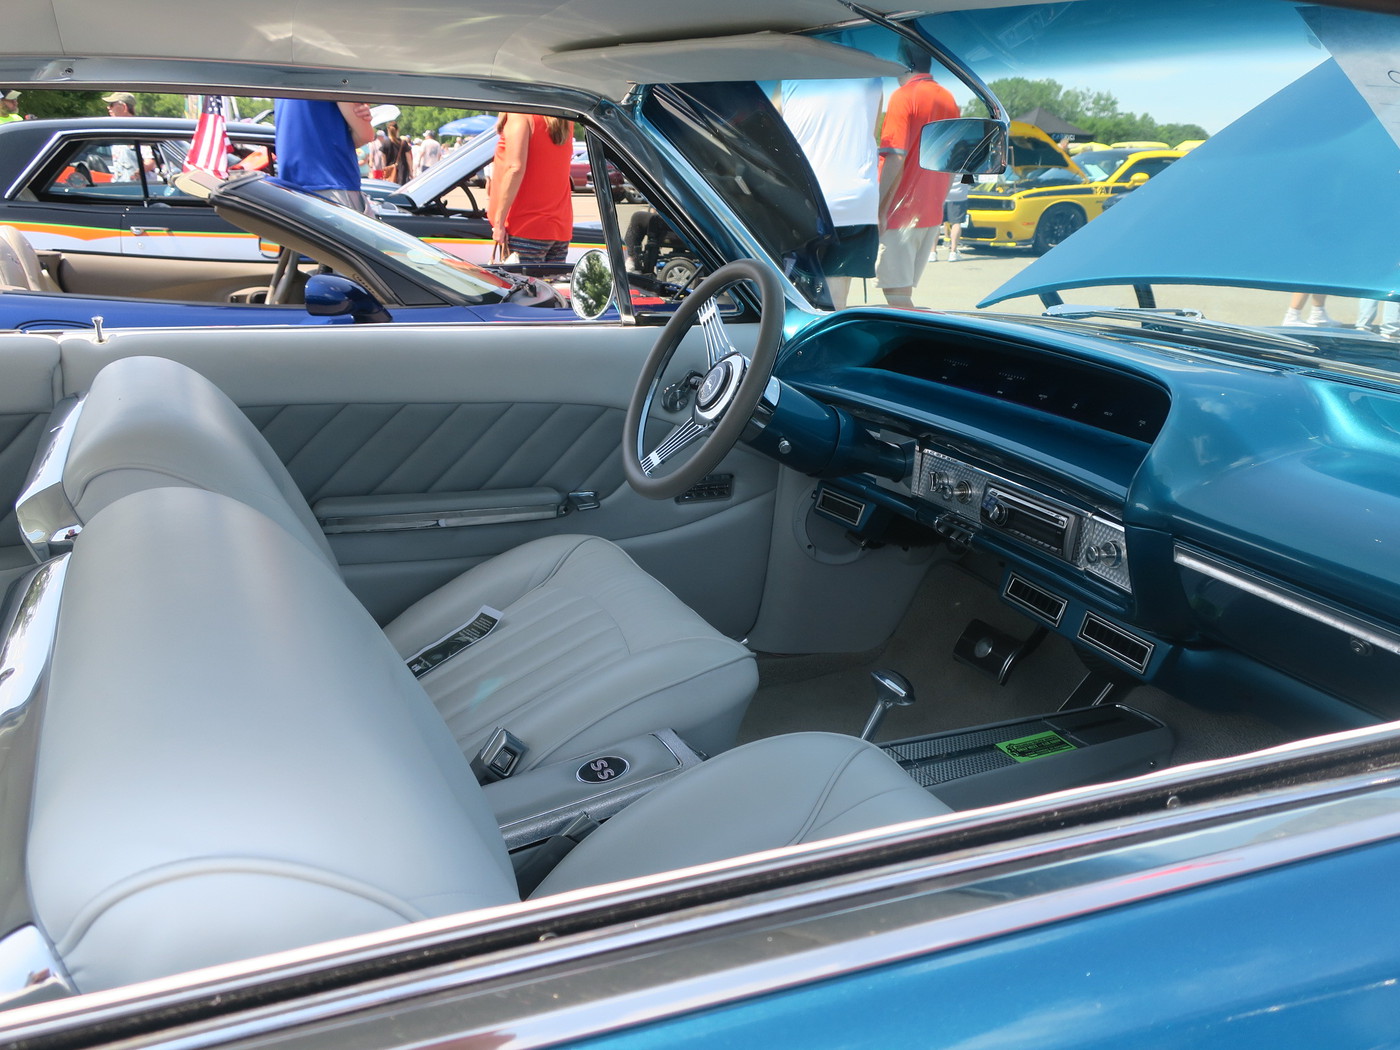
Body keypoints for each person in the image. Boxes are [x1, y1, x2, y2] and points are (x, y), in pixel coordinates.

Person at [780, 77, 882, 310]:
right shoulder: (871, 75)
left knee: (796, 290)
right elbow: (871, 131)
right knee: (837, 296)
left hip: (805, 198)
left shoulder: (788, 77)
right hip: (856, 198)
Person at [876, 44, 959, 309]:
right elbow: (951, 160)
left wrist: (880, 210)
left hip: (900, 214)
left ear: (904, 63)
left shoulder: (903, 97)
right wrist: (939, 203)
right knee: (902, 293)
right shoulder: (948, 98)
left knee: (898, 298)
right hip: (930, 212)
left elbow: (895, 156)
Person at [487, 112, 574, 265]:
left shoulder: (521, 116)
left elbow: (515, 168)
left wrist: (499, 222)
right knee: (548, 287)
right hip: (559, 226)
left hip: (524, 226)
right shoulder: (563, 120)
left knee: (524, 287)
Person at [271, 98, 376, 215]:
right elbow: (365, 135)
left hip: (290, 189)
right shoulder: (330, 80)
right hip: (333, 185)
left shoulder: (281, 87)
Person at [939, 174, 973, 262]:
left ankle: (932, 252)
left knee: (937, 224)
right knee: (956, 223)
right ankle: (953, 252)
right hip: (959, 196)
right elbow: (969, 181)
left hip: (941, 194)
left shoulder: (943, 161)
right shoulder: (965, 163)